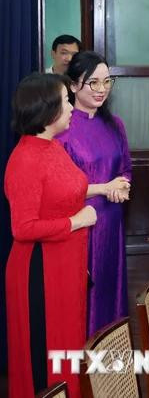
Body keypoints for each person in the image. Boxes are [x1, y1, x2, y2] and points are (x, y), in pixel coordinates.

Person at [4, 73, 97, 397]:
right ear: (47, 110)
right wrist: (77, 221)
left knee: (67, 348)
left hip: (66, 266)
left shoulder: (53, 147)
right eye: (65, 100)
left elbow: (63, 194)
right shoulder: (25, 159)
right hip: (39, 272)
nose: (72, 107)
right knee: (44, 357)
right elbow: (23, 228)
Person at [57, 51, 132, 337]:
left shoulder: (115, 125)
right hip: (78, 225)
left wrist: (122, 186)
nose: (102, 89)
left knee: (110, 291)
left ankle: (111, 372)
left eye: (107, 82)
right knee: (80, 296)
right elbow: (58, 187)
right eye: (93, 83)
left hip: (112, 222)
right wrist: (104, 188)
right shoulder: (61, 127)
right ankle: (80, 372)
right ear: (74, 85)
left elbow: (125, 169)